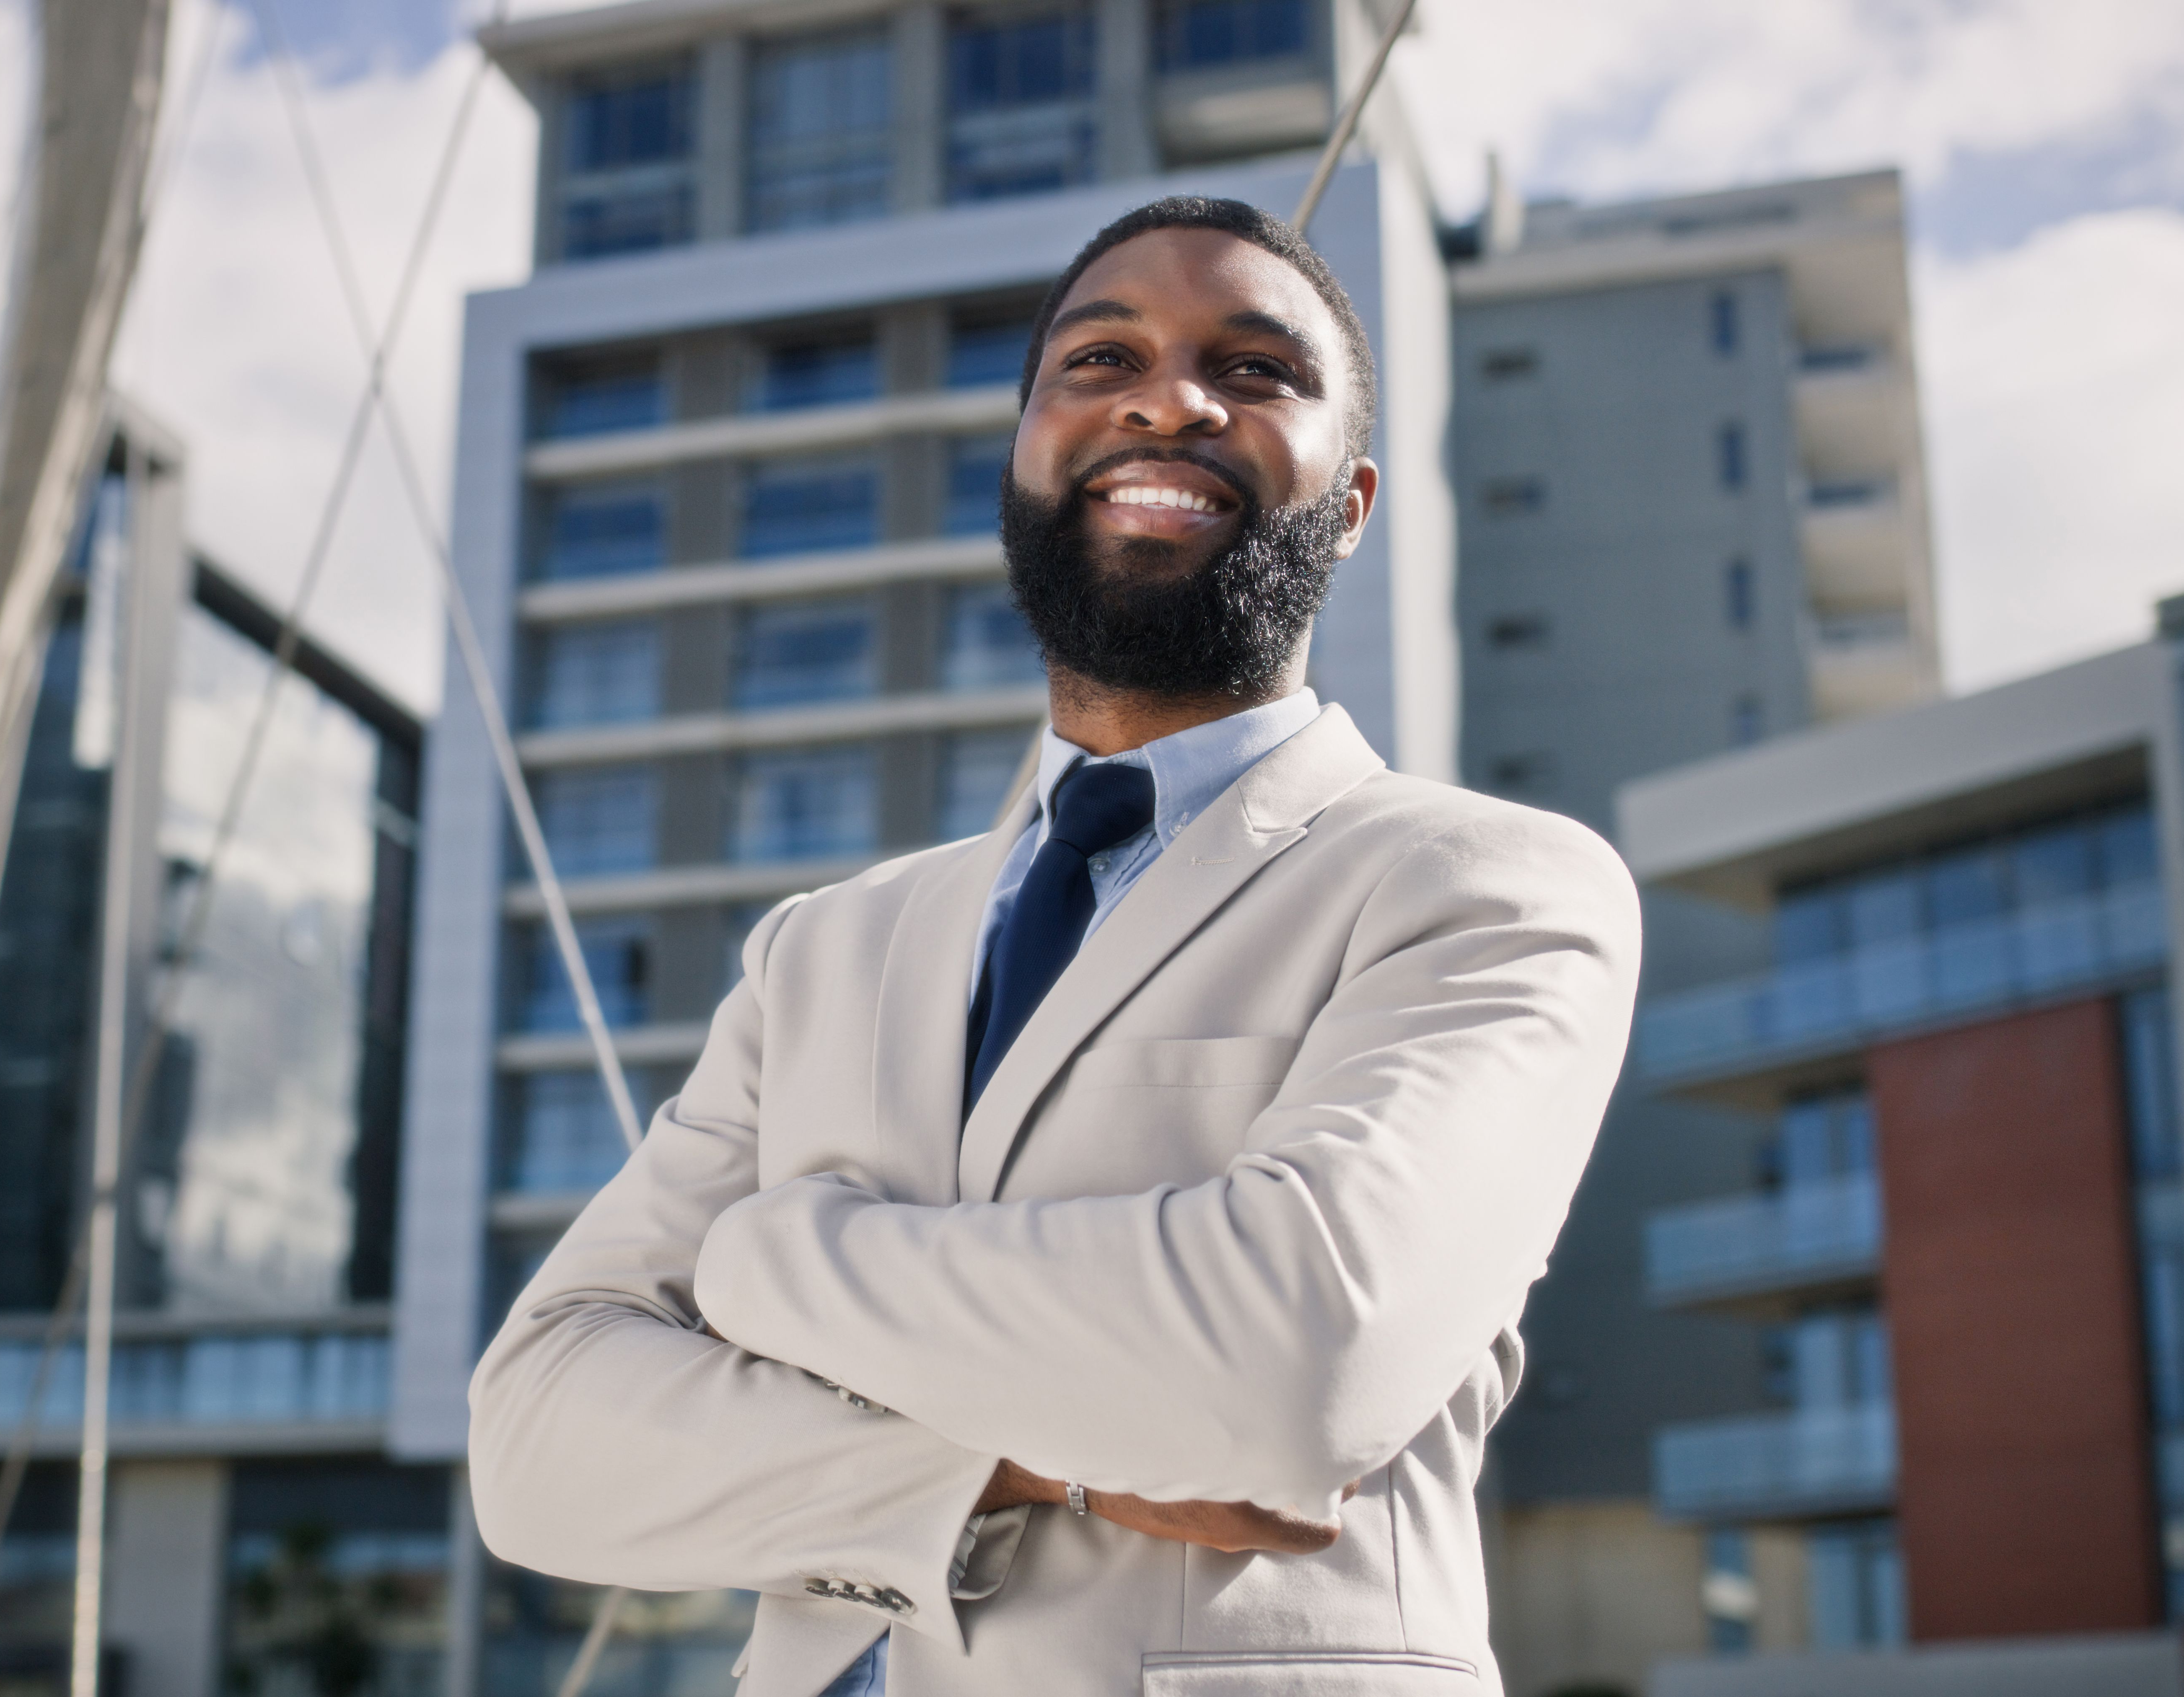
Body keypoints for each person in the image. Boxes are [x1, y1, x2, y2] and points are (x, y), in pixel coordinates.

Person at [467, 195, 1640, 1696]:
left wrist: (771, 1260)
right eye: (1101, 358)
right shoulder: (824, 948)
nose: (1170, 396)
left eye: (1258, 368)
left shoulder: (1487, 884)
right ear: (1020, 465)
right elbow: (538, 1447)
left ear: (1349, 503)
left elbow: (1289, 1367)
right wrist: (1014, 1463)